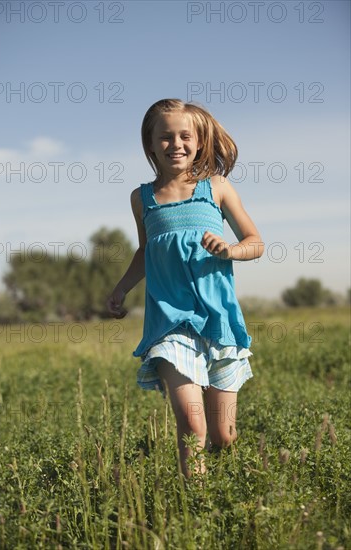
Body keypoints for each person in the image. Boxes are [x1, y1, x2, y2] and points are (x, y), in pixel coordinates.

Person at [106, 98, 264, 480]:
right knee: (192, 426)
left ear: (198, 141)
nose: (175, 144)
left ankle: (220, 494)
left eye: (184, 136)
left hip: (219, 323)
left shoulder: (217, 189)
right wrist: (122, 288)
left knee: (224, 436)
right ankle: (193, 507)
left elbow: (255, 241)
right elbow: (146, 251)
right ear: (150, 144)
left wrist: (230, 249)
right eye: (165, 137)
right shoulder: (141, 198)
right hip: (170, 326)